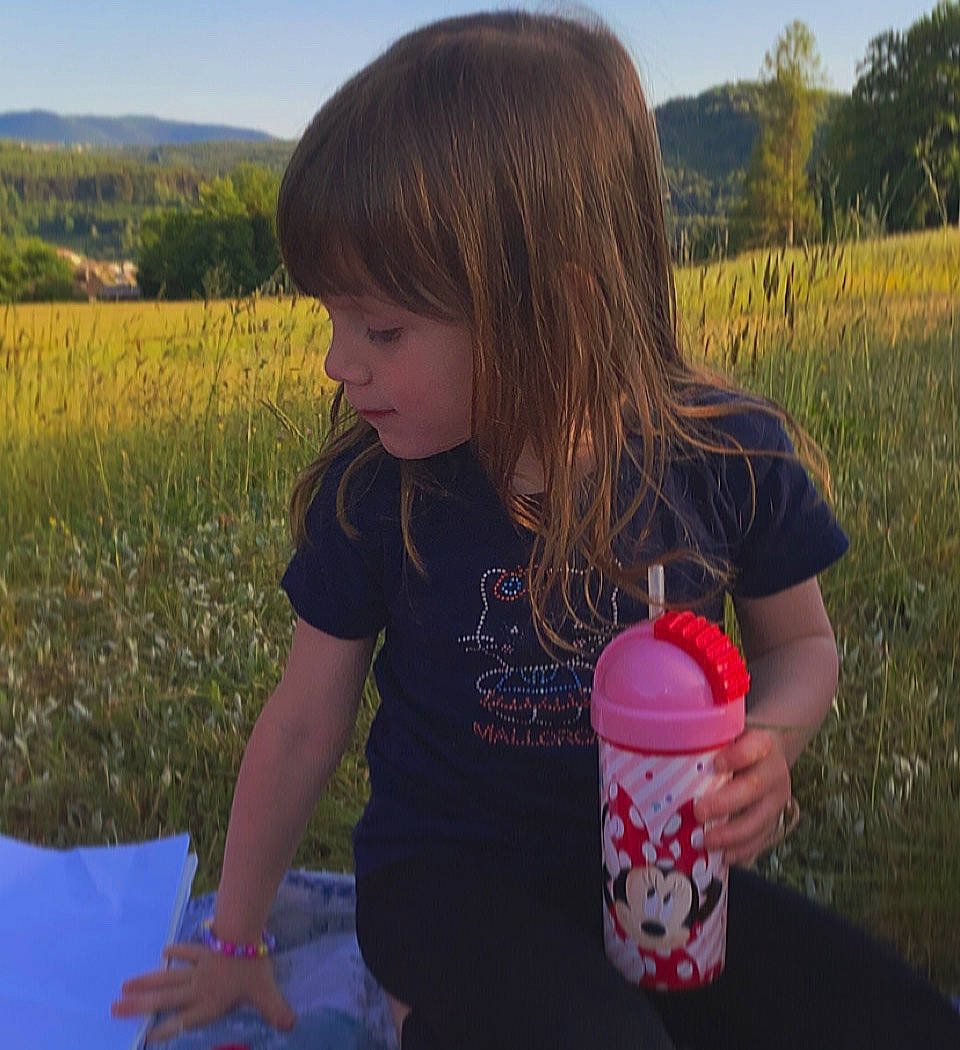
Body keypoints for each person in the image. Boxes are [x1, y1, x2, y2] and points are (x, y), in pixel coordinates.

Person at [113, 10, 960, 1049]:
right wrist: (236, 942)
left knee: (894, 1022)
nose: (340, 363)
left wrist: (770, 741)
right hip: (447, 884)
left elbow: (803, 645)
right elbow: (302, 722)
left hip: (656, 871)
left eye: (382, 328)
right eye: (333, 319)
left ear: (554, 305)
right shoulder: (379, 494)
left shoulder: (731, 454)